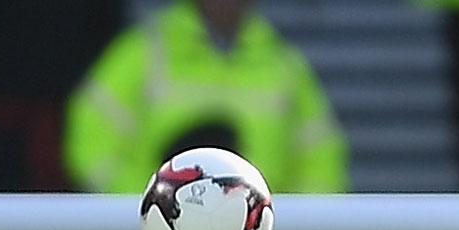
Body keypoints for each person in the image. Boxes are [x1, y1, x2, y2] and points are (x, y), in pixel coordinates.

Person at [63, 0, 346, 195]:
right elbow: (93, 145)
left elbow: (321, 162)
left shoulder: (284, 67)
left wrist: (272, 223)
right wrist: (156, 204)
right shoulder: (143, 53)